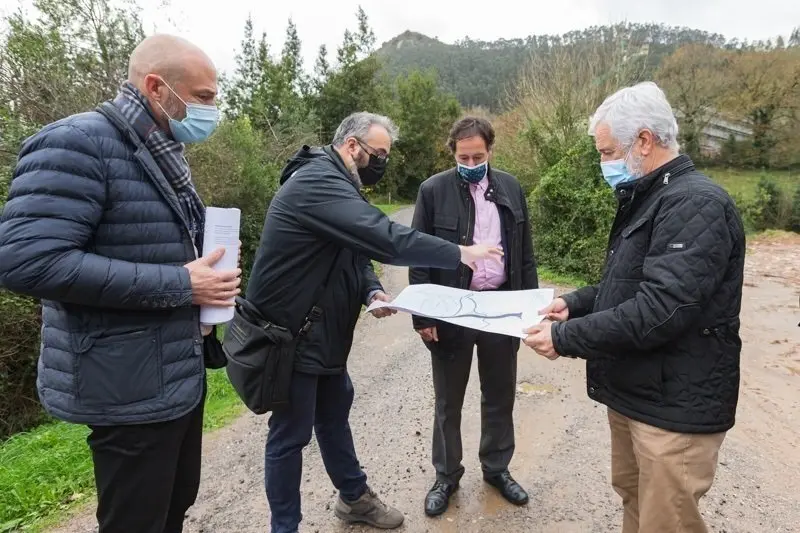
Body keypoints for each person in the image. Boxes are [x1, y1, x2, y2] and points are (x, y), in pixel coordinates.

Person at [0, 35, 240, 533]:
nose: (213, 111)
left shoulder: (158, 148)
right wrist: (180, 284)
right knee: (136, 521)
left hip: (174, 370)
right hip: (126, 384)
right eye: (204, 97)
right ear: (156, 87)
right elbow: (25, 261)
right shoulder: (76, 142)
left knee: (174, 504)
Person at [245, 111, 503, 533]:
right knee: (290, 435)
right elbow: (383, 236)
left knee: (332, 416)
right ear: (352, 147)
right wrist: (460, 252)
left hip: (322, 333)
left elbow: (354, 250)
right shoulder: (317, 181)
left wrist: (370, 290)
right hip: (289, 336)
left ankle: (354, 499)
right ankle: (284, 527)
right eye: (378, 154)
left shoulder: (341, 184)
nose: (381, 162)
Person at [524, 82, 745, 533]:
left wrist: (565, 339)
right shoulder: (652, 198)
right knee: (636, 502)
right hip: (639, 394)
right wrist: (573, 303)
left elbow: (661, 307)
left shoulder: (694, 202)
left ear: (643, 141)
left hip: (673, 405)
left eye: (607, 152)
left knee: (667, 521)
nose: (603, 163)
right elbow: (624, 286)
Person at [408, 117, 538, 516]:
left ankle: (497, 468)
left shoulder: (512, 188)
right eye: (463, 156)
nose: (470, 162)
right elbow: (417, 253)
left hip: (501, 308)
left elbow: (525, 253)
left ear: (490, 152)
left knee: (499, 394)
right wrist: (422, 316)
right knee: (449, 400)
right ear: (452, 153)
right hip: (452, 310)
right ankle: (446, 476)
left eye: (477, 156)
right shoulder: (433, 191)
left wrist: (530, 310)